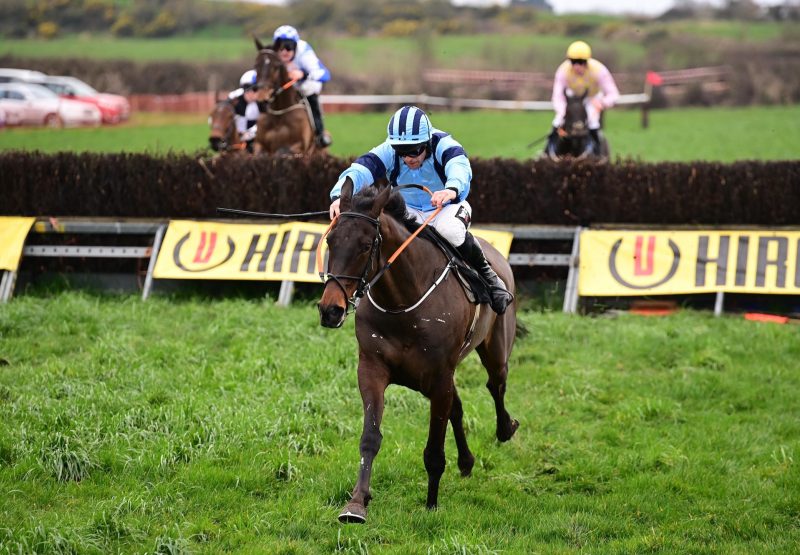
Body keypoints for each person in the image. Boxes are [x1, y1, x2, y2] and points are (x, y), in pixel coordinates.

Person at [328, 105, 513, 315]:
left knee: (450, 230)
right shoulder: (388, 150)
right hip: (409, 211)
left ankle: (490, 279)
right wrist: (338, 198)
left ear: (427, 142)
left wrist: (450, 190)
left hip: (447, 207)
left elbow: (460, 169)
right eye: (402, 152)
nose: (409, 158)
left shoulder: (445, 145)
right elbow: (358, 171)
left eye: (415, 150)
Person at [545, 40, 620, 156]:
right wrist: (562, 111)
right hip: (571, 99)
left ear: (587, 61)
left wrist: (603, 103)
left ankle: (598, 153)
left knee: (592, 121)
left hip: (591, 99)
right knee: (558, 120)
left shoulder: (599, 70)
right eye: (573, 62)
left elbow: (613, 94)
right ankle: (547, 152)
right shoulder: (562, 71)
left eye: (581, 62)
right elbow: (557, 96)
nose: (577, 66)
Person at [272, 25, 332, 147]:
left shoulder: (304, 52)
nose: (284, 51)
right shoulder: (272, 56)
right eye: (280, 47)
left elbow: (325, 74)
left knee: (310, 95)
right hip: (284, 89)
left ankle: (320, 134)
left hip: (305, 87)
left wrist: (303, 74)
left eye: (288, 47)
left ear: (295, 46)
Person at [228, 69, 261, 151]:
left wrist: (249, 134)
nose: (250, 93)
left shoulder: (264, 103)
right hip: (237, 138)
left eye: (255, 89)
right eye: (246, 89)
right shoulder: (234, 99)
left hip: (256, 138)